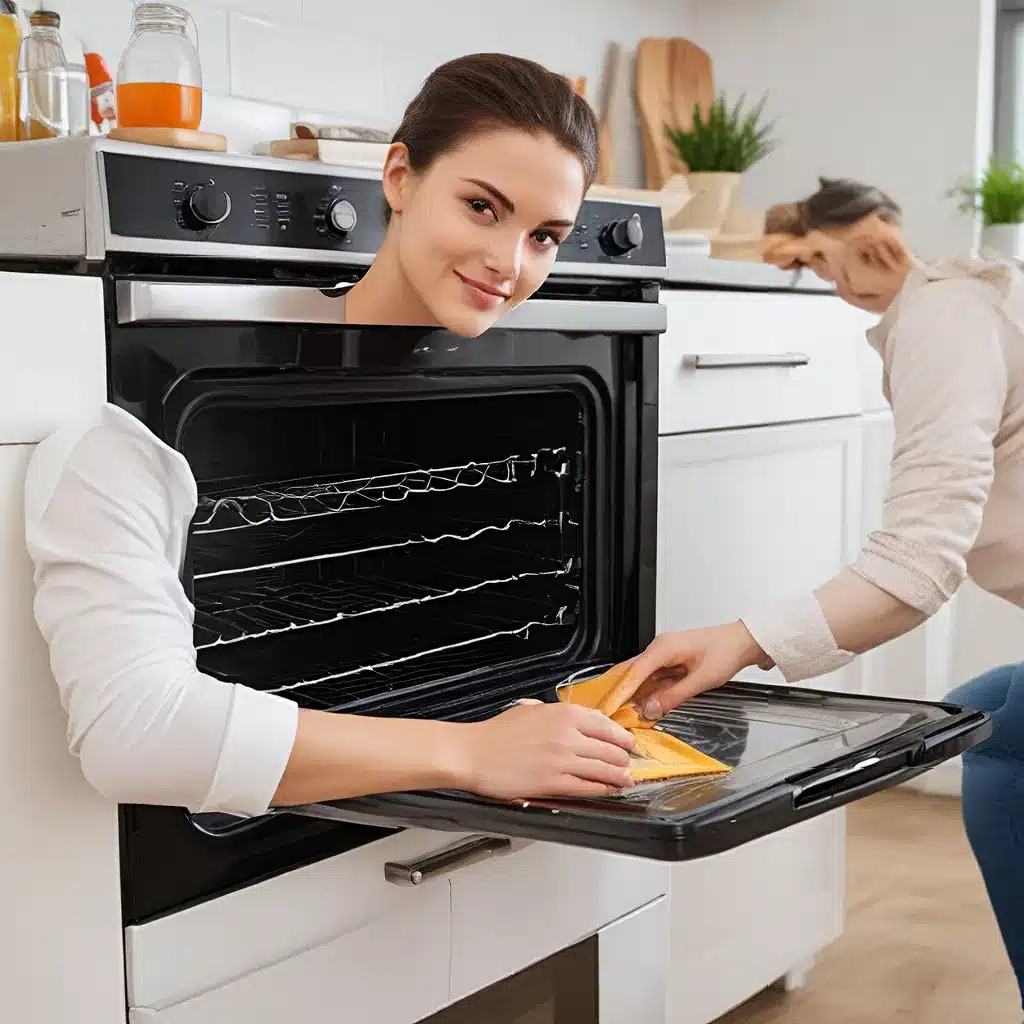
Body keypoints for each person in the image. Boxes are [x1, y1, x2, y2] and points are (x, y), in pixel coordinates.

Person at [23, 53, 639, 823]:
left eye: (546, 237)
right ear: (400, 179)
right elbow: (133, 733)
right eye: (482, 206)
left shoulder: (503, 399)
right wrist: (471, 753)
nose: (508, 265)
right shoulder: (119, 439)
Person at [606, 176, 1024, 1009]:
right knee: (986, 708)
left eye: (828, 264)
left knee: (1003, 743)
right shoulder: (964, 302)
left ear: (872, 240)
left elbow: (915, 570)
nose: (837, 288)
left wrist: (739, 640)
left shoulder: (943, 317)